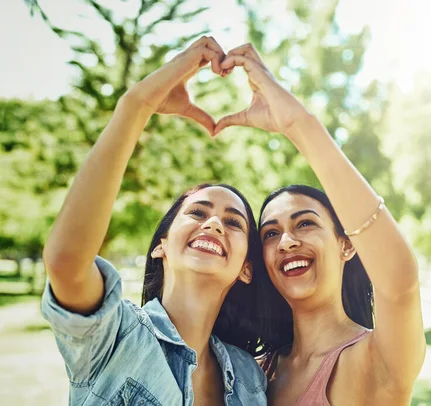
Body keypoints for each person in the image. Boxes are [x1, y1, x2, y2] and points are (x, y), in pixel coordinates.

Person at [41, 36, 267, 406]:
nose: (213, 225)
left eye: (233, 222)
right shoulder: (115, 336)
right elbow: (66, 261)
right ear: (161, 245)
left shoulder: (251, 378)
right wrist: (137, 105)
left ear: (246, 268)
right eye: (197, 212)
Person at [213, 44, 426, 405]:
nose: (286, 242)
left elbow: (399, 283)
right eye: (270, 233)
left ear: (346, 244)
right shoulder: (251, 373)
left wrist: (297, 125)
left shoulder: (374, 360)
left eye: (306, 223)